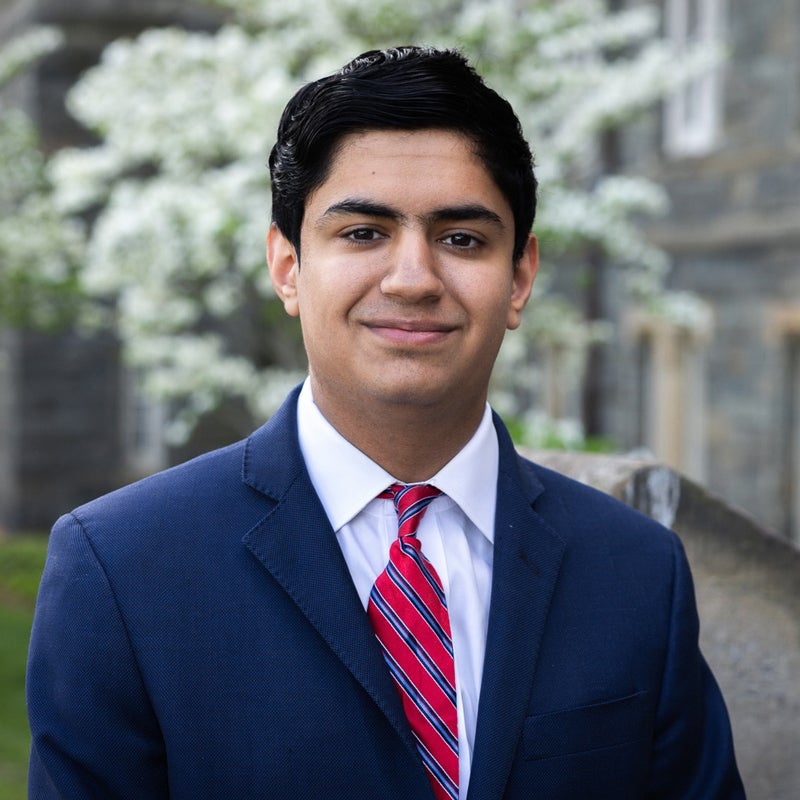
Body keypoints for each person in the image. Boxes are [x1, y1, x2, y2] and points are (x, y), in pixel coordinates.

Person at [27, 46, 744, 799]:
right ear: (288, 267)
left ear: (520, 278)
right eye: (364, 233)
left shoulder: (636, 571)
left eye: (461, 238)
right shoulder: (122, 568)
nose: (412, 279)